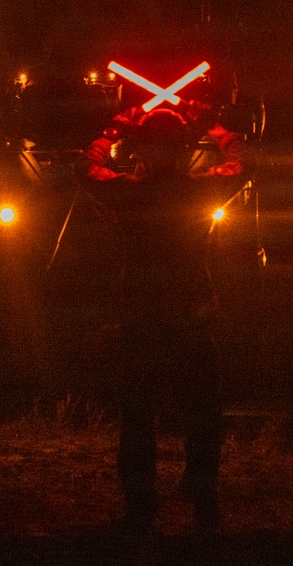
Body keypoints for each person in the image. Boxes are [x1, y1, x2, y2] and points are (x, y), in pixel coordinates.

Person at [76, 104, 246, 533]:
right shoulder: (198, 191)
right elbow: (246, 164)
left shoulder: (130, 192)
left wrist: (113, 128)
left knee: (137, 413)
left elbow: (85, 168)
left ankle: (141, 505)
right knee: (202, 409)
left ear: (141, 148)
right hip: (191, 311)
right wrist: (214, 126)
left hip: (142, 312)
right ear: (186, 148)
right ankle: (204, 500)